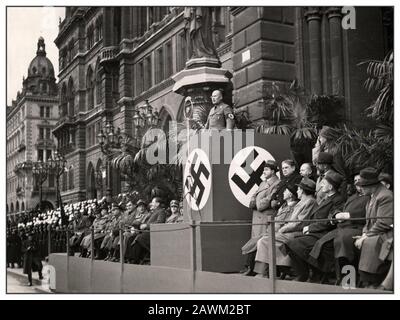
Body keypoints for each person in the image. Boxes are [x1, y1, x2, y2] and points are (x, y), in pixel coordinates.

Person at [307, 174, 369, 284]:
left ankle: (348, 279)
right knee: (323, 245)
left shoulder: (369, 198)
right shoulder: (352, 197)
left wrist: (347, 215)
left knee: (342, 243)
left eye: (360, 182)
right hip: (342, 227)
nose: (358, 185)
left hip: (356, 227)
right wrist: (336, 215)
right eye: (356, 182)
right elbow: (340, 210)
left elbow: (367, 214)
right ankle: (334, 275)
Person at [285, 171, 344, 283]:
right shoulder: (326, 198)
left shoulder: (337, 200)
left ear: (330, 187)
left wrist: (310, 228)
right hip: (317, 231)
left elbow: (330, 221)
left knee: (294, 244)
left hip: (325, 233)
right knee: (290, 243)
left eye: (324, 183)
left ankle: (308, 274)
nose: (321, 185)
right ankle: (305, 273)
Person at [253, 178, 317, 278]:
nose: (297, 191)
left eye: (299, 189)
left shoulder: (309, 202)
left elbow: (299, 223)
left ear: (303, 191)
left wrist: (282, 229)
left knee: (266, 240)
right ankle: (275, 270)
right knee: (264, 240)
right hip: (291, 231)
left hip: (298, 232)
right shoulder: (303, 201)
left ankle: (274, 271)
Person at [354, 167, 393, 288]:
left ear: (370, 185)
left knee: (370, 242)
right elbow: (368, 222)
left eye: (362, 186)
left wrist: (366, 236)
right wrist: (364, 233)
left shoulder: (385, 196)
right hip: (376, 231)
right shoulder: (372, 196)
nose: (360, 189)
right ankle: (366, 280)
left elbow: (383, 222)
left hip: (387, 233)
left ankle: (372, 281)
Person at [240, 160, 280, 276]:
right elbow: (254, 195)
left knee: (260, 242)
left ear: (273, 171)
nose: (264, 171)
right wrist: (254, 201)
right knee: (255, 241)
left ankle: (256, 269)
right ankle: (250, 267)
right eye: (264, 169)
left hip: (265, 216)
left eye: (267, 169)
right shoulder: (263, 183)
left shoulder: (277, 183)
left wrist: (256, 203)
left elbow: (266, 201)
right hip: (258, 217)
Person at [127, 197, 166, 264]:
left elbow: (160, 222)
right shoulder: (154, 212)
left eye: (153, 202)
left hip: (154, 233)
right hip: (147, 232)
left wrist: (146, 226)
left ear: (157, 204)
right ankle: (129, 258)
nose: (151, 204)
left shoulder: (161, 211)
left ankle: (135, 259)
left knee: (139, 238)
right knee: (131, 237)